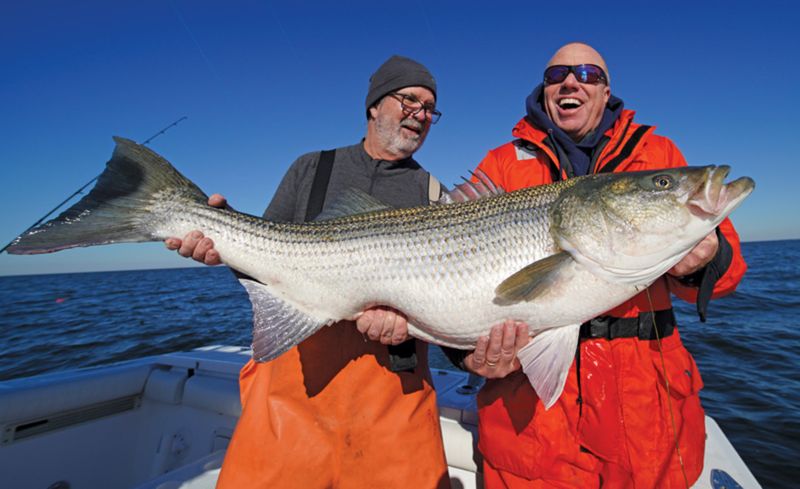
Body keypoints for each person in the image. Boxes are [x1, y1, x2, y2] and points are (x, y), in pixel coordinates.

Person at [458, 42, 747, 488]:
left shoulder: (656, 152)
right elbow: (450, 280)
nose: (570, 82)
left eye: (587, 74)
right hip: (533, 429)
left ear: (606, 89)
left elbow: (727, 274)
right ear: (545, 90)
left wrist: (700, 263)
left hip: (648, 419)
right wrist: (467, 355)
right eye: (556, 76)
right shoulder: (501, 163)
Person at [165, 55, 451, 488]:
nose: (420, 115)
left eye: (430, 108)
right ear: (374, 105)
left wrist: (408, 324)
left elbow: (445, 295)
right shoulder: (311, 169)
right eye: (409, 100)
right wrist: (221, 247)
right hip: (292, 398)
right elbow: (264, 269)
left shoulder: (435, 195)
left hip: (392, 404)